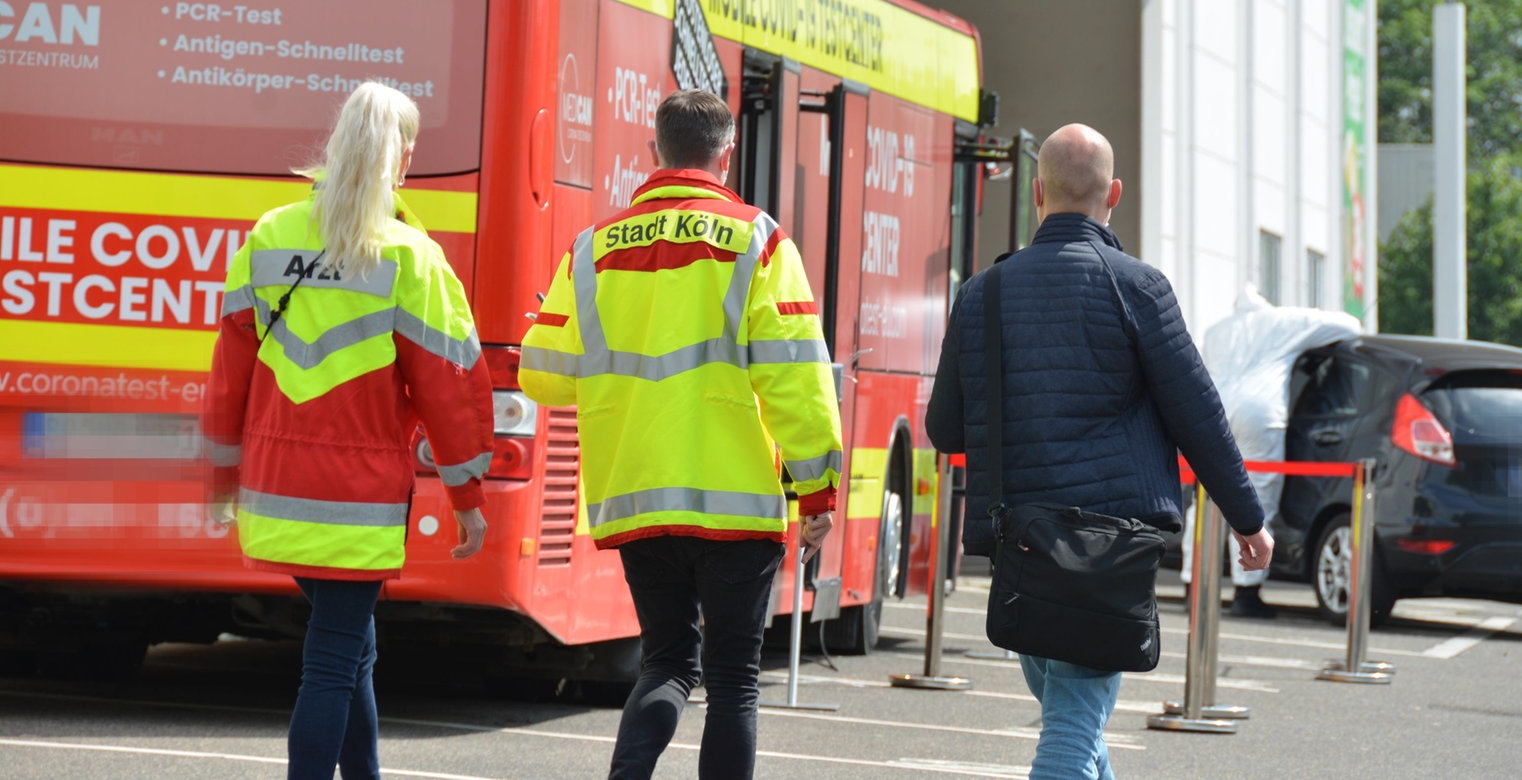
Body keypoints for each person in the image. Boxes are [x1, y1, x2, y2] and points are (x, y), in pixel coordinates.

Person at [925, 123, 1273, 779]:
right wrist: (1248, 520)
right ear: (1113, 193)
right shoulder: (1138, 287)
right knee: (1071, 729)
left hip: (1019, 547)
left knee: (1075, 720)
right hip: (1106, 553)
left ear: (1037, 192)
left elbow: (945, 430)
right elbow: (1198, 414)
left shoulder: (981, 294)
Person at [518, 88, 842, 780]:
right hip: (734, 502)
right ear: (727, 154)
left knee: (666, 663)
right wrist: (817, 493)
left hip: (637, 495)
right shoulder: (759, 239)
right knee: (732, 681)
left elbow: (542, 377)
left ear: (654, 150)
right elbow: (796, 380)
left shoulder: (591, 248)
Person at [202, 81, 493, 780]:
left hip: (276, 490)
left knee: (351, 645)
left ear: (334, 147)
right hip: (355, 500)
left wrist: (220, 478)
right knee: (333, 660)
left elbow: (228, 374)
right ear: (406, 158)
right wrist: (468, 498)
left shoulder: (270, 235)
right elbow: (451, 392)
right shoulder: (410, 258)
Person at [1180, 286, 1360, 619]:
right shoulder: (1281, 320)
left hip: (1214, 409)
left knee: (1205, 502)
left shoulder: (1217, 330)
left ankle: (1193, 584)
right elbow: (1350, 325)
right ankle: (1247, 592)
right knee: (1257, 498)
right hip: (1260, 414)